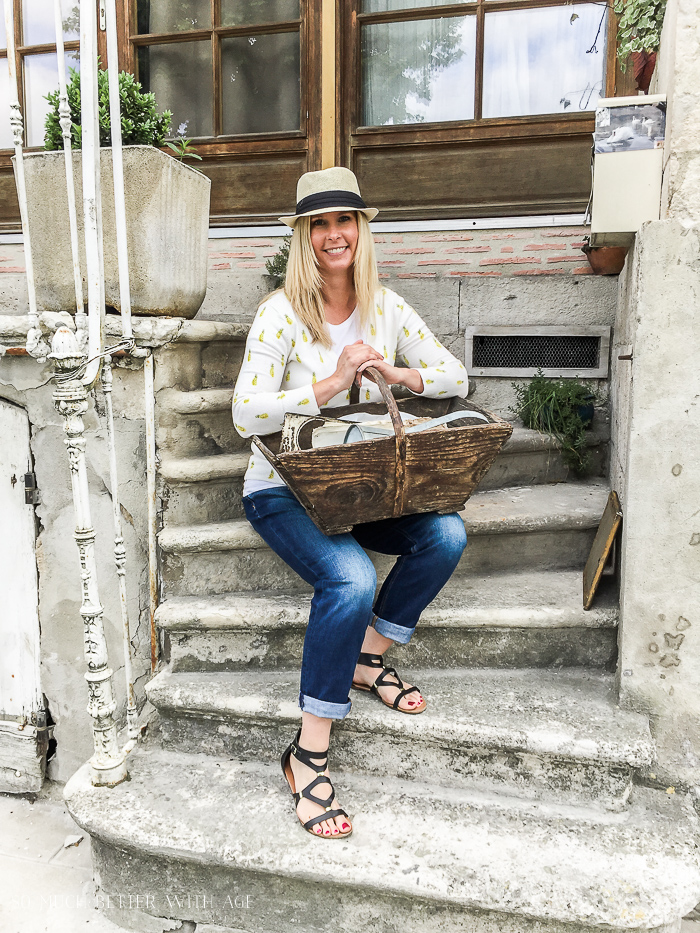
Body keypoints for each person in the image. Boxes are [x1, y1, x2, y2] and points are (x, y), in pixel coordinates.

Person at [232, 167, 469, 840]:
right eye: (319, 224)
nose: (333, 234)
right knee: (352, 576)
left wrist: (398, 373)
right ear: (304, 237)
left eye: (345, 221)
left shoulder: (386, 308)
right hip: (284, 491)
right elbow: (245, 412)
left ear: (361, 232)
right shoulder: (280, 314)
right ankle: (306, 755)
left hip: (365, 486)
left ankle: (367, 657)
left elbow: (456, 375)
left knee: (446, 534)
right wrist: (334, 381)